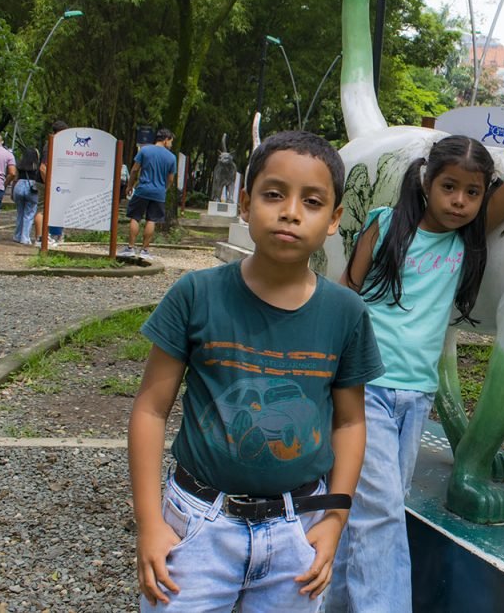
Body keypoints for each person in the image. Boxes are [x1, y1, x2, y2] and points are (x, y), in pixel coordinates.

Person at [326, 114, 504, 613]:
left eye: (472, 192)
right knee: (381, 513)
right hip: (364, 389)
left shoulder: (467, 238)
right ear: (426, 182)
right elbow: (348, 295)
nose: (459, 201)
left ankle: (329, 601)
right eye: (449, 187)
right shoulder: (382, 224)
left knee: (371, 507)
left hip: (414, 396)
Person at [129, 130, 384, 612]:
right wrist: (149, 522)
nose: (290, 211)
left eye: (311, 201)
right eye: (274, 194)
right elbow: (150, 408)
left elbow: (349, 422)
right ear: (245, 204)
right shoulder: (195, 295)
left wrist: (333, 520)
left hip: (298, 531)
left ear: (334, 220)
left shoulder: (346, 314)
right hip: (198, 524)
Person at [120, 128, 177, 260]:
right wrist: (164, 189)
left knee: (135, 217)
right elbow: (171, 179)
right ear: (165, 140)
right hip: (159, 193)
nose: (171, 145)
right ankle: (145, 250)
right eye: (171, 142)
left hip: (143, 190)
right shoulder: (171, 157)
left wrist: (130, 186)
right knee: (152, 220)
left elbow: (134, 170)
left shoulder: (144, 150)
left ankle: (130, 248)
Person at [12, 145, 41, 245]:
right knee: (29, 214)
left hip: (19, 186)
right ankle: (25, 238)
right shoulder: (36, 165)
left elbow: (15, 178)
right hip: (31, 187)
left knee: (20, 212)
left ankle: (17, 235)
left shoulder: (20, 164)